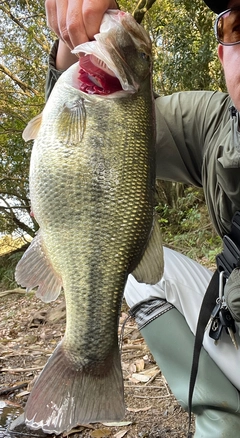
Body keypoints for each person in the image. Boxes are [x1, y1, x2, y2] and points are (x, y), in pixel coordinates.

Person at [44, 0, 240, 436]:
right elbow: (110, 130)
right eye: (237, 25)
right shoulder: (216, 124)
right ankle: (221, 417)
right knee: (140, 269)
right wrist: (70, 39)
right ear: (224, 51)